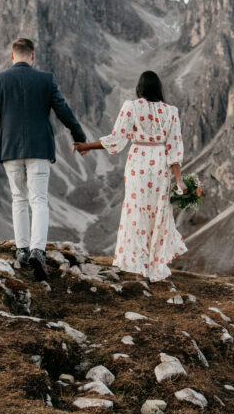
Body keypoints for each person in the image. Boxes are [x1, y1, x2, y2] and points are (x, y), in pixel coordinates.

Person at [0, 38, 87, 281]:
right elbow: (64, 111)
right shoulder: (46, 79)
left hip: (8, 150)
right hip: (39, 149)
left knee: (19, 199)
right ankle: (38, 251)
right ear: (32, 57)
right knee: (39, 200)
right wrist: (79, 137)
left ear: (12, 56)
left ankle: (21, 250)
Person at [74, 70, 187, 282]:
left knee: (137, 213)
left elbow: (116, 140)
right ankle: (154, 266)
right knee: (157, 214)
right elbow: (175, 149)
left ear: (140, 88)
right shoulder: (171, 112)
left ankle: (136, 264)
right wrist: (179, 180)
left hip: (139, 167)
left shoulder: (131, 107)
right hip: (161, 168)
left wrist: (87, 145)